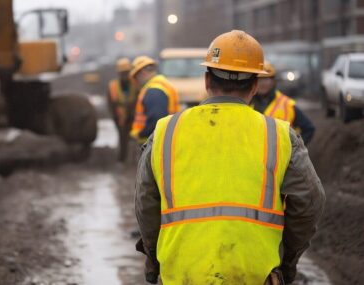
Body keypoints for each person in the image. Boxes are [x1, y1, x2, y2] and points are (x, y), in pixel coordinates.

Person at [135, 30, 325, 285]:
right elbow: (310, 203)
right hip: (256, 277)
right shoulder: (279, 135)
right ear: (255, 85)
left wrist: (153, 259)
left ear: (206, 80)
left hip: (182, 276)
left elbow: (146, 203)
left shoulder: (165, 132)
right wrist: (287, 262)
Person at [251, 61, 316, 144]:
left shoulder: (287, 105)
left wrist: (295, 149)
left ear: (273, 81)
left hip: (281, 156)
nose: (263, 83)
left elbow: (309, 129)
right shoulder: (246, 104)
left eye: (266, 79)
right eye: (259, 79)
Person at [129, 56, 180, 144]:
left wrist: (139, 134)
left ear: (142, 72)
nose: (136, 81)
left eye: (136, 77)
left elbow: (156, 122)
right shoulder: (162, 85)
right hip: (164, 140)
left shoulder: (154, 91)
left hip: (153, 143)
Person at [107, 58, 136, 162]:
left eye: (126, 72)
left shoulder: (135, 84)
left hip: (133, 115)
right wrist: (115, 117)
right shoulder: (113, 86)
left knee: (133, 138)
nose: (125, 75)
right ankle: (122, 159)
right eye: (123, 73)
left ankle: (132, 159)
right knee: (122, 137)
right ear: (119, 73)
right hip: (120, 116)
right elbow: (111, 103)